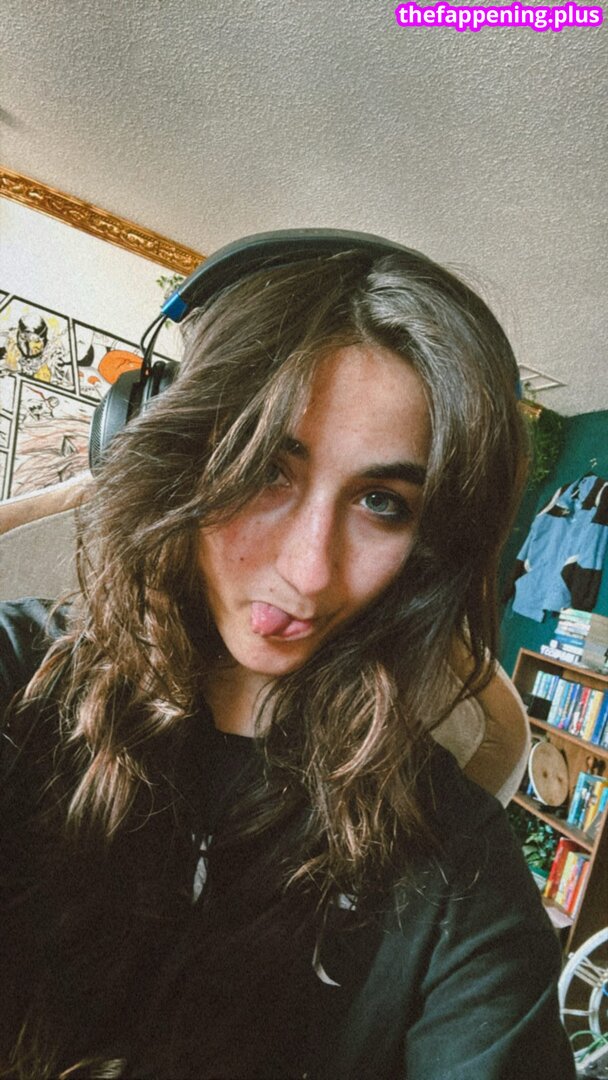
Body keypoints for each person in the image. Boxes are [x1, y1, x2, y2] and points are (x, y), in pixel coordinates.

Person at [0, 231, 575, 1079]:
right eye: (269, 468)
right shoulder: (19, 677)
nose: (309, 571)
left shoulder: (459, 869)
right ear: (182, 453)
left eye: (382, 502)